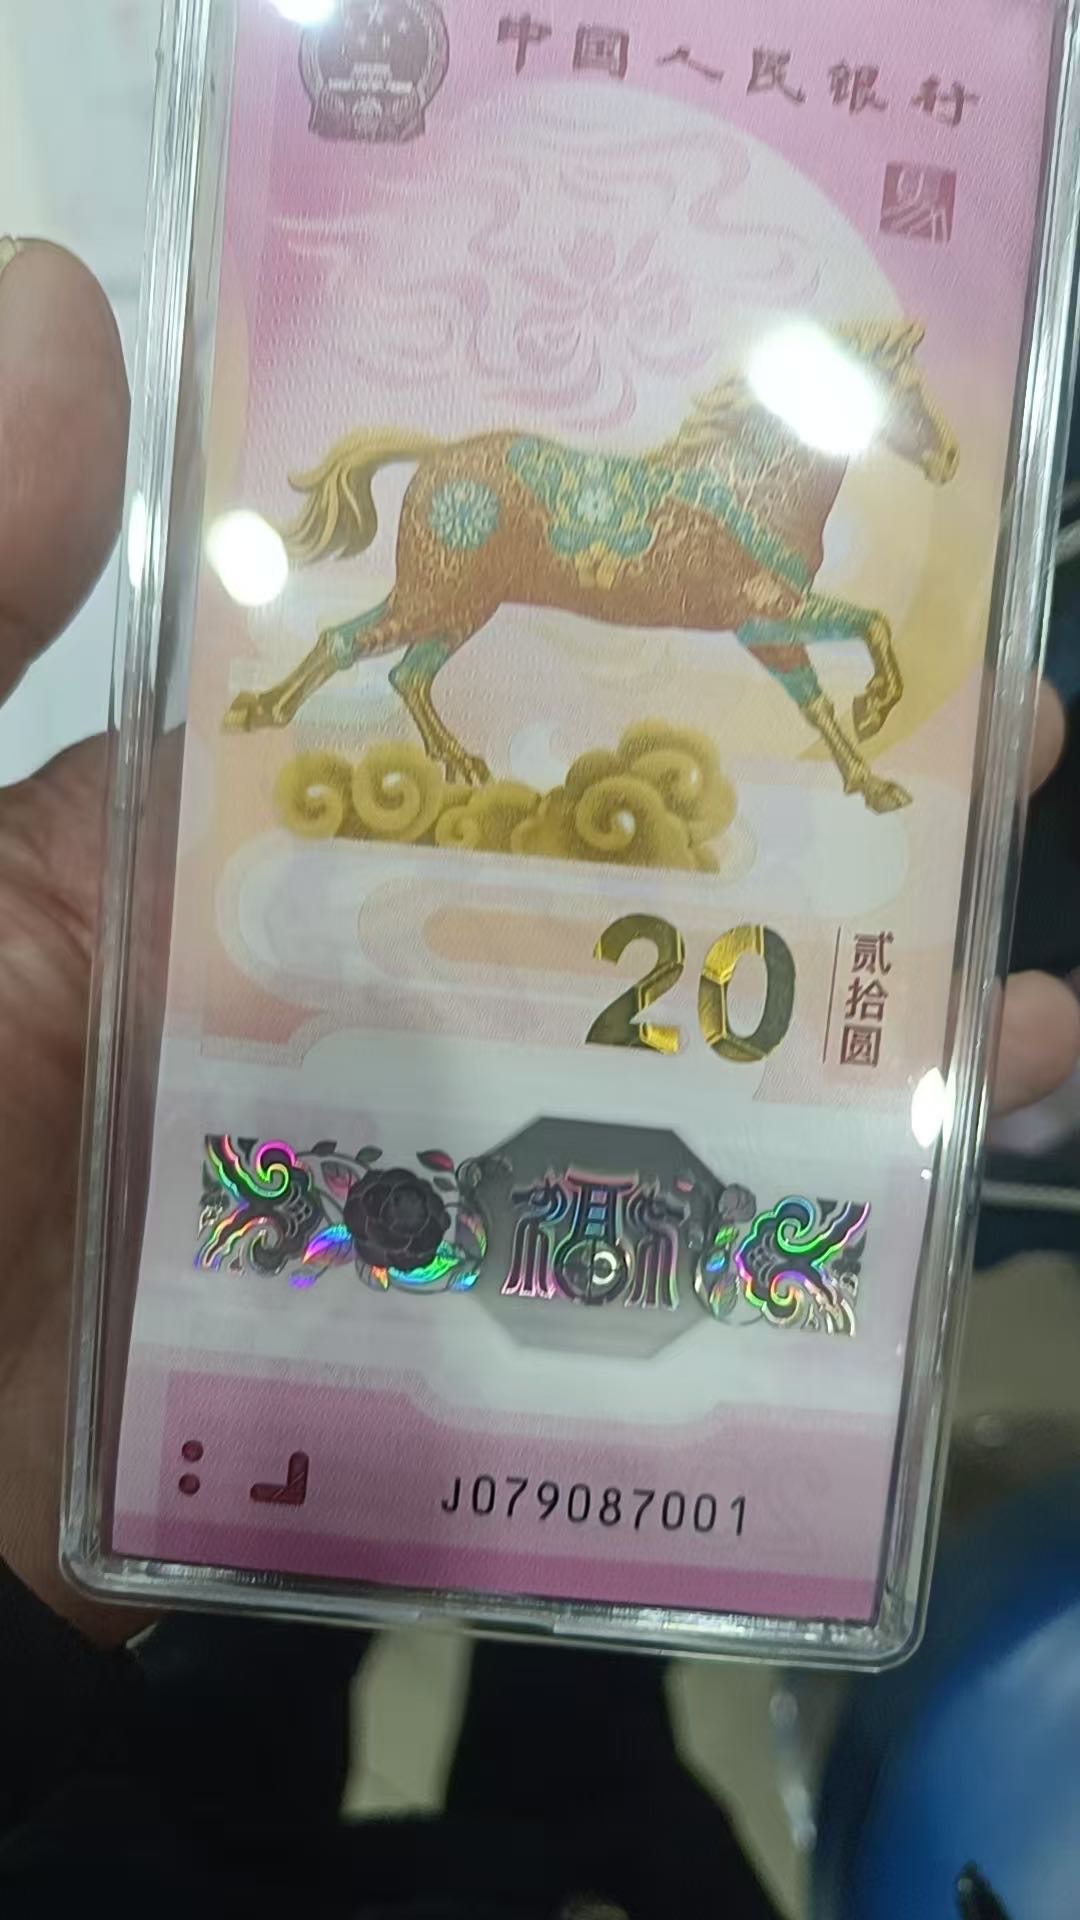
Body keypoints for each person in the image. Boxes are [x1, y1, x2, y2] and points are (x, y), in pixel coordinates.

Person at [0, 241, 1077, 1918]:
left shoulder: (754, 498)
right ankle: (507, 1602)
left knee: (269, 1672)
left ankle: (424, 1566)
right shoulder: (704, 518)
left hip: (123, 1778)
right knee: (500, 1715)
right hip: (155, 1779)